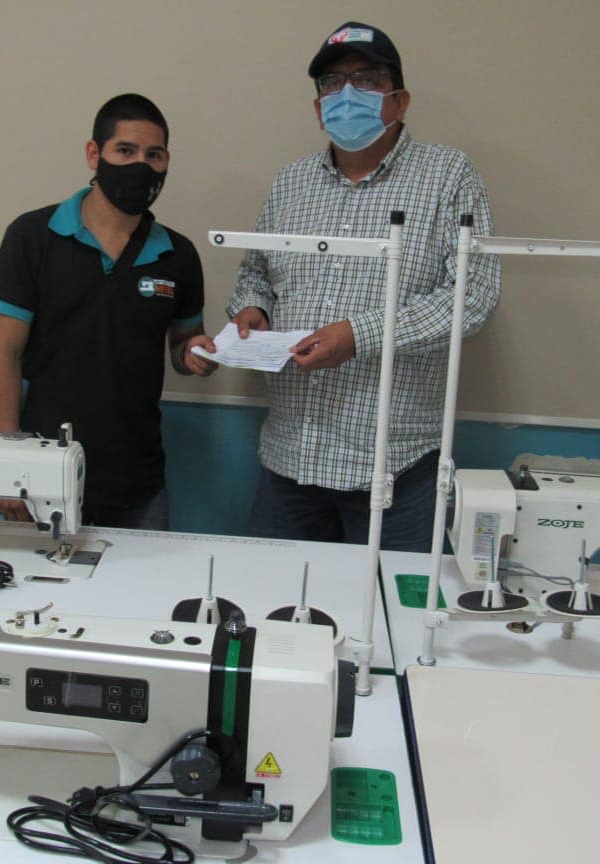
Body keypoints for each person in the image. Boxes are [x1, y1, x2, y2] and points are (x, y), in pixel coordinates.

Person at [226, 22, 501, 552]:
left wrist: (359, 334)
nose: (347, 93)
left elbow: (474, 296)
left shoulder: (449, 176)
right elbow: (255, 271)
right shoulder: (291, 183)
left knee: (390, 603)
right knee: (274, 597)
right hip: (290, 458)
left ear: (400, 100)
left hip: (394, 467)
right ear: (318, 107)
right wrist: (254, 308)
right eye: (333, 83)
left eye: (367, 79)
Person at [0, 93, 216, 530]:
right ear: (94, 154)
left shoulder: (179, 255)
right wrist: (7, 463)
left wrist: (195, 355)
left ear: (167, 162)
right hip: (42, 477)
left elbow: (183, 347)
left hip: (139, 483)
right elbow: (3, 355)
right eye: (125, 151)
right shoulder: (32, 237)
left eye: (154, 155)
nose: (140, 166)